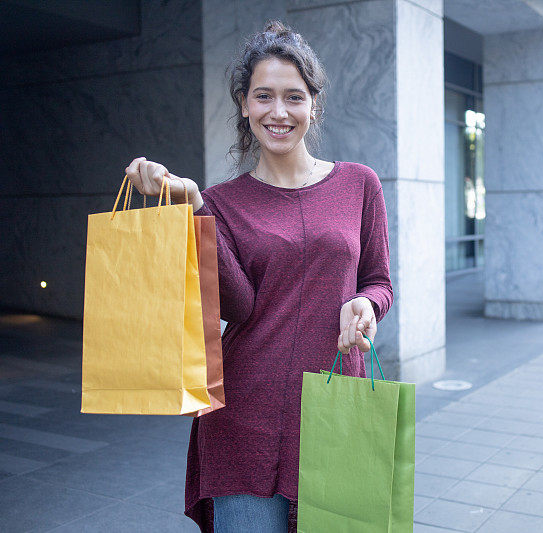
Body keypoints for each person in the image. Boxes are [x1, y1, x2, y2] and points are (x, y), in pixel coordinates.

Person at [124, 20, 393, 533]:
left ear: (314, 105)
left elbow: (379, 279)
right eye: (263, 96)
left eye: (293, 96)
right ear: (245, 107)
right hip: (243, 417)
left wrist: (367, 305)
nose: (278, 111)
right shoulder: (222, 202)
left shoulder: (360, 184)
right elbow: (240, 307)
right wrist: (193, 205)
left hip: (334, 406)